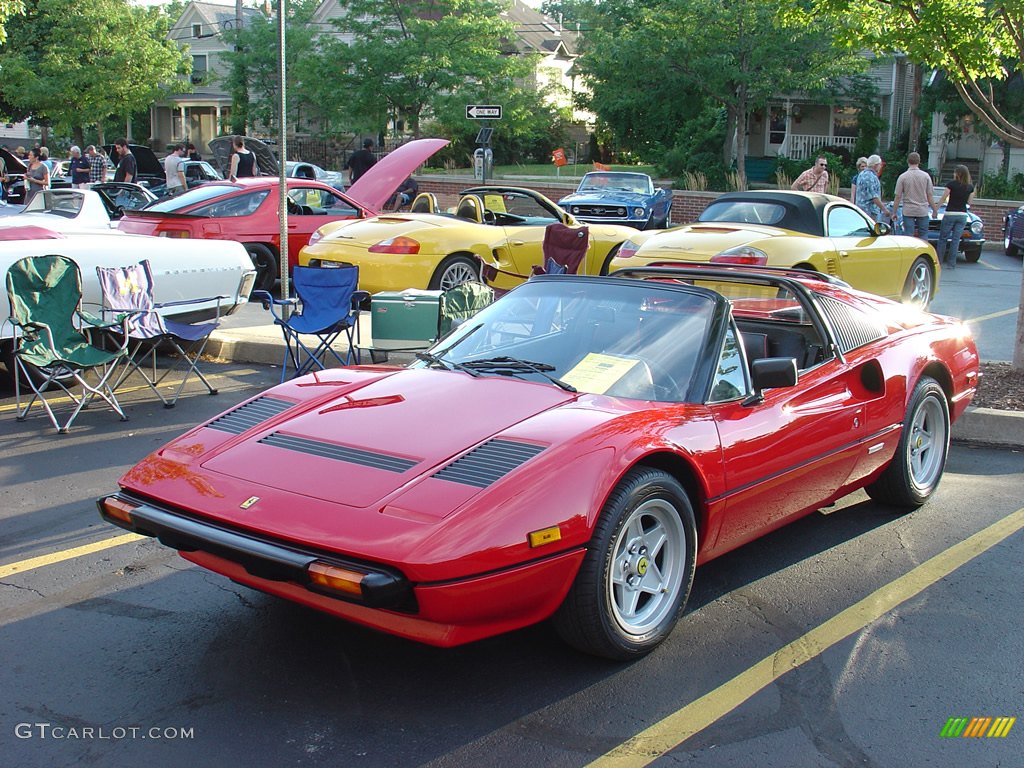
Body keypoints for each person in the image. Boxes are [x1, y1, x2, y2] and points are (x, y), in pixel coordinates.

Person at [935, 165, 975, 270]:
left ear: (958, 173)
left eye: (955, 172)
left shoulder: (951, 184)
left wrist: (936, 209)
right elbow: (970, 202)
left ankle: (939, 262)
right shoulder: (970, 187)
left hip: (950, 213)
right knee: (956, 240)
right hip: (962, 215)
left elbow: (944, 198)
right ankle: (951, 264)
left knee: (943, 238)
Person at [890, 151, 936, 238]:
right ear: (919, 162)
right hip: (922, 210)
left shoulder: (903, 177)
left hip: (908, 210)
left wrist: (894, 212)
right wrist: (934, 210)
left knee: (908, 235)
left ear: (908, 161)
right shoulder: (926, 176)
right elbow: (929, 195)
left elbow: (898, 196)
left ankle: (910, 250)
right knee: (924, 234)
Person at [854, 154, 890, 223]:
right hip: (869, 211)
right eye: (880, 165)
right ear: (875, 165)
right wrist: (884, 209)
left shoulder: (861, 174)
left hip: (861, 209)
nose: (880, 167)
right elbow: (874, 196)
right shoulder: (870, 177)